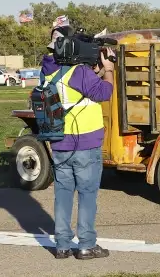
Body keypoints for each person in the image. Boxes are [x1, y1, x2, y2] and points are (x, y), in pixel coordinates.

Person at [41, 19, 114, 260]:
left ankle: (62, 245)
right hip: (85, 144)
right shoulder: (79, 72)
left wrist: (96, 72)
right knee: (87, 195)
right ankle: (86, 245)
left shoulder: (48, 71)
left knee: (63, 195)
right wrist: (109, 69)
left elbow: (77, 88)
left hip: (59, 143)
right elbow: (104, 92)